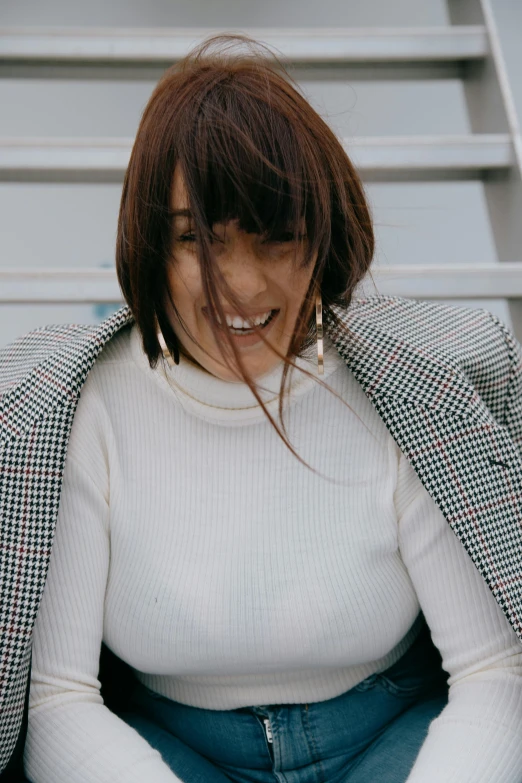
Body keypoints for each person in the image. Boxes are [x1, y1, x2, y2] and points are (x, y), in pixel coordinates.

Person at [1, 33, 521, 783]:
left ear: (323, 239)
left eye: (278, 236)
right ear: (150, 244)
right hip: (173, 750)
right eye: (197, 240)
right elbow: (57, 698)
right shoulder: (87, 406)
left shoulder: (403, 389)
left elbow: (494, 667)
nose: (240, 284)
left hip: (389, 733)